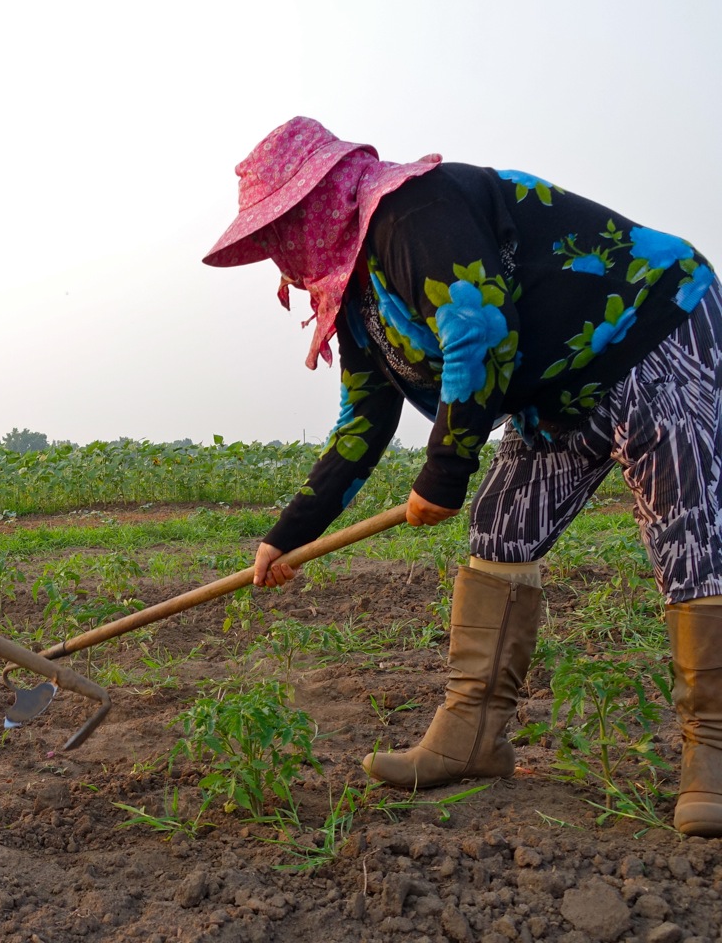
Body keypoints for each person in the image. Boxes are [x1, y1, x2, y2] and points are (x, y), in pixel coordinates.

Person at [202, 116, 722, 837]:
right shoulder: (355, 298)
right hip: (554, 391)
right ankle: (473, 735)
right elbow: (362, 423)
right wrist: (285, 536)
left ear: (323, 195)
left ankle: (714, 753)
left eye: (285, 226)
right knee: (501, 530)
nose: (281, 252)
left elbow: (475, 329)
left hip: (651, 327)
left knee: (687, 532)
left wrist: (444, 473)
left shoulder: (410, 213)